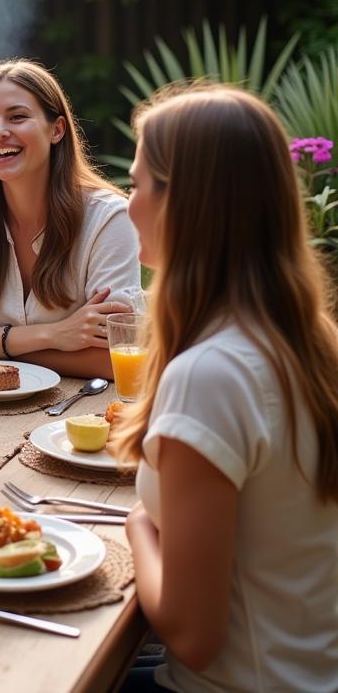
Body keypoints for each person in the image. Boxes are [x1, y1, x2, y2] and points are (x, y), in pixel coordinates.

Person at [115, 85, 338, 692]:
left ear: (186, 203)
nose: (126, 203)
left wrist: (137, 526)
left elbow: (192, 636)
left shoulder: (212, 375)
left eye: (137, 185)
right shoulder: (309, 340)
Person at [0, 59, 139, 378]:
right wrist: (55, 336)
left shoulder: (108, 219)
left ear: (57, 129)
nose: (0, 132)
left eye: (18, 117)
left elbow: (112, 359)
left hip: (78, 416)